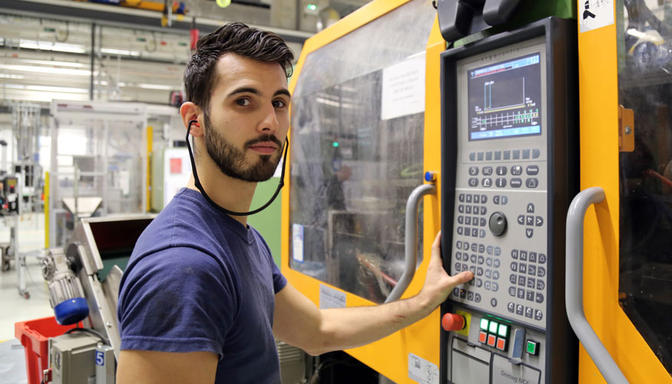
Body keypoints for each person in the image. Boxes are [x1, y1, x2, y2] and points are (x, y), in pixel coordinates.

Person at [116, 22, 473, 384]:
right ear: (194, 120)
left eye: (279, 103)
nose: (269, 122)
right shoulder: (183, 267)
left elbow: (317, 330)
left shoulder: (240, 235)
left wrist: (422, 302)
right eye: (244, 101)